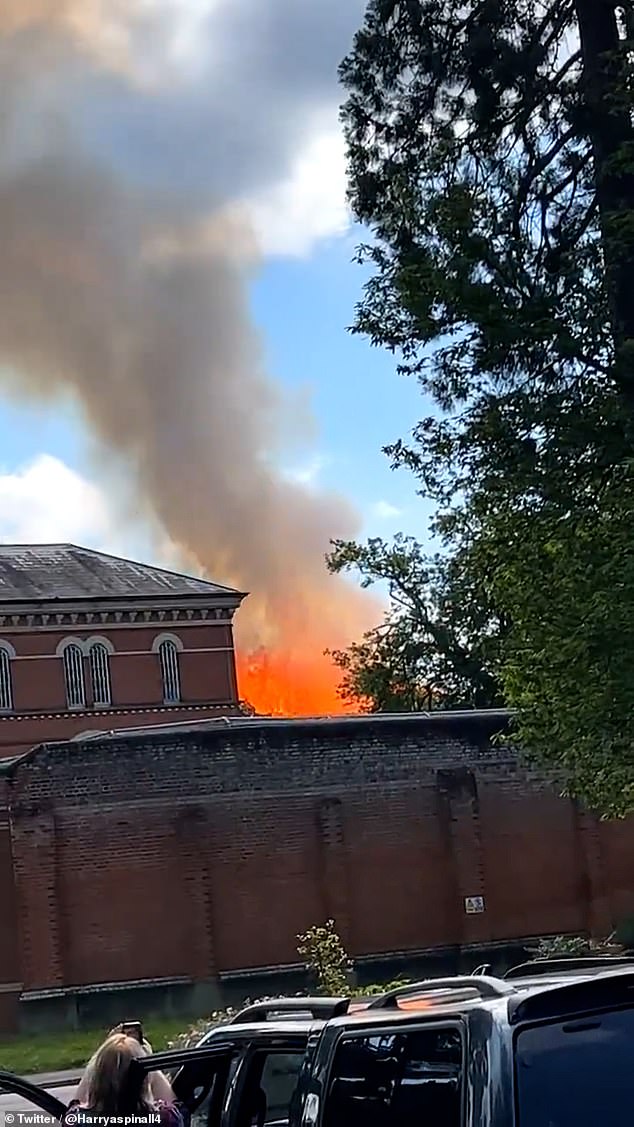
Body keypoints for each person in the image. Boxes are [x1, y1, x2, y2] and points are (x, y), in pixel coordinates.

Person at [66, 1029, 183, 1127]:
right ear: (144, 1079)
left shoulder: (78, 1121)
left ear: (98, 1076)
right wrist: (147, 1061)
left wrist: (103, 1058)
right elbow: (179, 1110)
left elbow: (75, 1105)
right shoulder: (164, 1119)